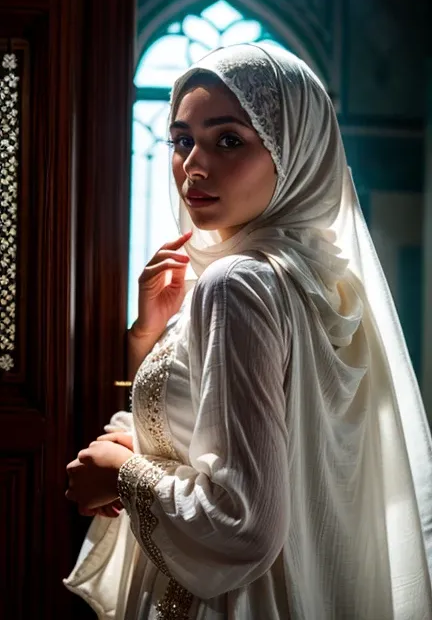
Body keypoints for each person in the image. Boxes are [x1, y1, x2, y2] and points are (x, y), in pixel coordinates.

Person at [64, 44, 432, 619]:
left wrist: (122, 475)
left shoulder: (236, 284)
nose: (194, 165)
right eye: (182, 139)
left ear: (294, 156)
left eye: (229, 139)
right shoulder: (316, 275)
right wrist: (148, 337)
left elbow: (241, 524)